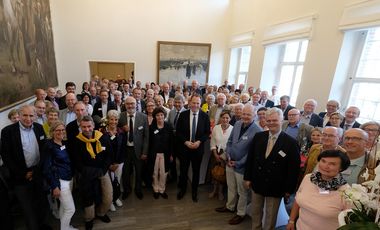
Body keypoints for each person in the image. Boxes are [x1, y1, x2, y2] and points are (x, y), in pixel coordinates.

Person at [244, 107, 300, 230]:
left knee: (270, 216)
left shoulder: (290, 142)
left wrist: (288, 189)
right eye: (268, 121)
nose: (271, 123)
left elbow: (293, 169)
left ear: (282, 120)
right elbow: (251, 159)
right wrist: (247, 177)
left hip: (276, 186)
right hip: (257, 182)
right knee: (255, 212)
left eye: (275, 120)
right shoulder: (259, 136)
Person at [1, 105, 51, 230]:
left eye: (31, 115)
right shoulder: (8, 131)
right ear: (19, 115)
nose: (28, 118)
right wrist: (24, 173)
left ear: (35, 116)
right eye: (25, 115)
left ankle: (42, 225)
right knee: (28, 209)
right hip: (20, 177)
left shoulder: (39, 128)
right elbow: (6, 156)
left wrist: (36, 171)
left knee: (41, 203)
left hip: (38, 174)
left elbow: (44, 151)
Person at [215, 104, 262, 225]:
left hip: (242, 167)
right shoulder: (237, 124)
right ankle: (230, 206)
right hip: (230, 162)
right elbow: (230, 141)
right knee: (231, 187)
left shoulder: (258, 131)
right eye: (244, 113)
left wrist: (239, 163)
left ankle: (240, 213)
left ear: (254, 115)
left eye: (249, 114)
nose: (245, 116)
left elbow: (252, 153)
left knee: (242, 192)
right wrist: (229, 156)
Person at [286, 150, 351, 230]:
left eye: (332, 164)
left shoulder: (346, 191)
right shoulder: (308, 178)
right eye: (323, 161)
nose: (325, 166)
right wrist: (291, 221)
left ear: (341, 168)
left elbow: (349, 222)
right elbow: (297, 200)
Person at [69, 116, 113, 230]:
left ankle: (101, 213)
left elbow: (109, 155)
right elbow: (76, 161)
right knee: (88, 197)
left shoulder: (102, 138)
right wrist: (88, 171)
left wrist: (103, 170)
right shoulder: (77, 141)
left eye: (89, 126)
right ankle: (89, 218)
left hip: (102, 171)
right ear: (80, 127)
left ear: (93, 126)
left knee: (108, 195)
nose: (87, 129)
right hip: (86, 174)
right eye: (84, 127)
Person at [42, 121, 77, 230]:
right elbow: (47, 169)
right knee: (71, 209)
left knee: (64, 207)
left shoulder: (63, 143)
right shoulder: (49, 146)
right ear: (52, 132)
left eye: (62, 130)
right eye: (57, 130)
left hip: (68, 178)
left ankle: (65, 227)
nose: (61, 132)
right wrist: (55, 186)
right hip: (60, 181)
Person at [176, 94, 210, 202]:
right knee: (183, 170)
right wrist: (185, 142)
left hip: (198, 149)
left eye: (198, 103)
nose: (195, 105)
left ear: (200, 104)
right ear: (189, 103)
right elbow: (178, 132)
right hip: (185, 148)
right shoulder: (183, 115)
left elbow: (207, 132)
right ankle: (183, 189)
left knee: (196, 171)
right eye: (193, 103)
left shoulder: (205, 116)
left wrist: (199, 141)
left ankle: (194, 191)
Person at [119, 96, 149, 200]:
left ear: (136, 104)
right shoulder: (121, 116)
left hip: (139, 150)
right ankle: (127, 190)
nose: (130, 106)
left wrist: (145, 152)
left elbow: (146, 136)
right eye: (128, 104)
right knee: (126, 172)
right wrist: (122, 129)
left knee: (139, 171)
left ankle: (138, 189)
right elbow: (116, 131)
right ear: (125, 105)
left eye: (132, 103)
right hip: (125, 149)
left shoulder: (143, 117)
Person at [99, 110, 126, 211]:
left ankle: (115, 198)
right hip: (106, 164)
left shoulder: (121, 132)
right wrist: (109, 164)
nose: (113, 121)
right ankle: (109, 201)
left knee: (117, 181)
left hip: (118, 163)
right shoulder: (102, 132)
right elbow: (101, 150)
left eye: (116, 119)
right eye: (111, 119)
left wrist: (117, 163)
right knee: (108, 184)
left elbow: (123, 148)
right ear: (108, 120)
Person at [148, 107, 174, 199]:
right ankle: (156, 189)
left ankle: (162, 189)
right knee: (155, 172)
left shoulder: (168, 127)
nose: (160, 117)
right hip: (154, 154)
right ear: (155, 117)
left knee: (164, 173)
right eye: (157, 115)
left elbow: (172, 142)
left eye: (161, 115)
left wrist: (171, 154)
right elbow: (149, 142)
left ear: (164, 116)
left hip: (165, 154)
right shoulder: (151, 127)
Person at [209, 110, 233, 201]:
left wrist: (224, 156)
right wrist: (215, 154)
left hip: (227, 154)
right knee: (215, 173)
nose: (225, 119)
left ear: (230, 119)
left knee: (223, 174)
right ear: (220, 118)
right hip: (216, 153)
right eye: (223, 117)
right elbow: (212, 142)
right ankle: (214, 190)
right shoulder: (216, 128)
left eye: (227, 118)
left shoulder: (233, 129)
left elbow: (232, 144)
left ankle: (220, 192)